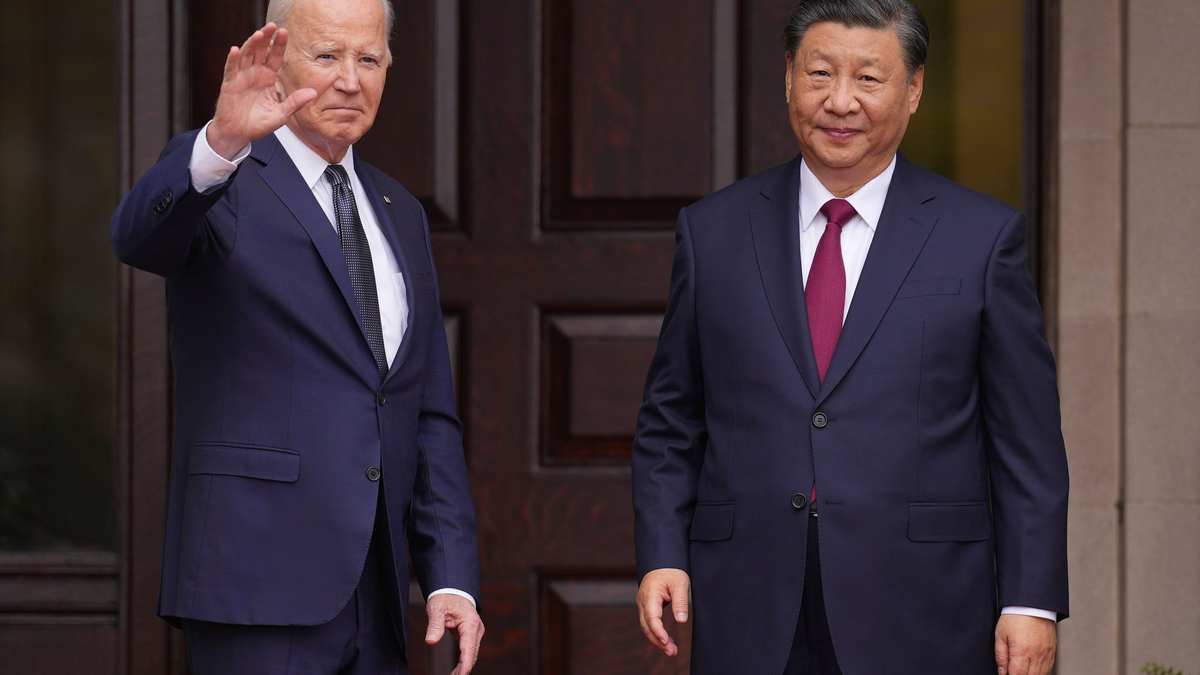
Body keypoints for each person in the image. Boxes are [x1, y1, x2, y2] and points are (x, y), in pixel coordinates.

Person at [631, 1, 1068, 674]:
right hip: (752, 600)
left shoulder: (981, 238)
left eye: (868, 78)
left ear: (914, 88)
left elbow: (1027, 443)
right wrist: (662, 549)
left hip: (925, 607)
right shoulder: (713, 231)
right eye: (819, 73)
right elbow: (671, 419)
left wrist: (1031, 599)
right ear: (787, 78)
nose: (840, 101)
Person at [110, 0, 483, 672]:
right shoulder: (224, 177)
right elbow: (138, 235)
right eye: (327, 55)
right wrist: (220, 144)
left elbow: (424, 412)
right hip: (258, 585)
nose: (349, 79)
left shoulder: (401, 212)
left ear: (388, 67)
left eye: (367, 58)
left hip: (379, 593)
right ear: (277, 60)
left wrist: (450, 574)